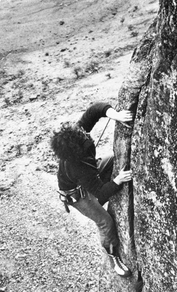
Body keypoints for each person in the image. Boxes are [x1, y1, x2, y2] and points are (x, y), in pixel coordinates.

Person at [50, 102, 133, 277]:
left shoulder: (76, 135)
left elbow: (95, 110)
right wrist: (117, 181)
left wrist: (115, 115)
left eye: (84, 135)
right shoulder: (77, 166)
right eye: (84, 139)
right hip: (76, 194)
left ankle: (101, 199)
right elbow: (100, 191)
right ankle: (113, 256)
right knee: (105, 222)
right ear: (77, 152)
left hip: (86, 177)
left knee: (113, 160)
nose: (88, 137)